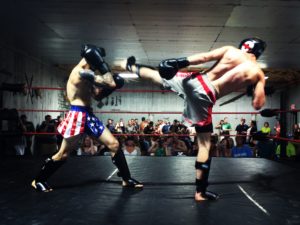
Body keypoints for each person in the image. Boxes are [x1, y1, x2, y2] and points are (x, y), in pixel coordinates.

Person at [119, 37, 266, 201]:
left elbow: (203, 57)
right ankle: (200, 192)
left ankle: (130, 66)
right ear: (259, 52)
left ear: (244, 46)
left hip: (196, 81)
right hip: (207, 96)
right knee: (204, 144)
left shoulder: (231, 50)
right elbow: (258, 104)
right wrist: (257, 88)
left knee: (157, 76)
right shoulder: (257, 72)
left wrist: (177, 62)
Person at [31, 44, 143, 192]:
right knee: (63, 154)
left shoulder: (88, 73)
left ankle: (126, 179)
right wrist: (108, 75)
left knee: (114, 145)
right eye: (98, 60)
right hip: (77, 115)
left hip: (88, 115)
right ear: (92, 58)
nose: (98, 64)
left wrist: (112, 89)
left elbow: (97, 95)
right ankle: (38, 180)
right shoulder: (80, 73)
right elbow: (109, 81)